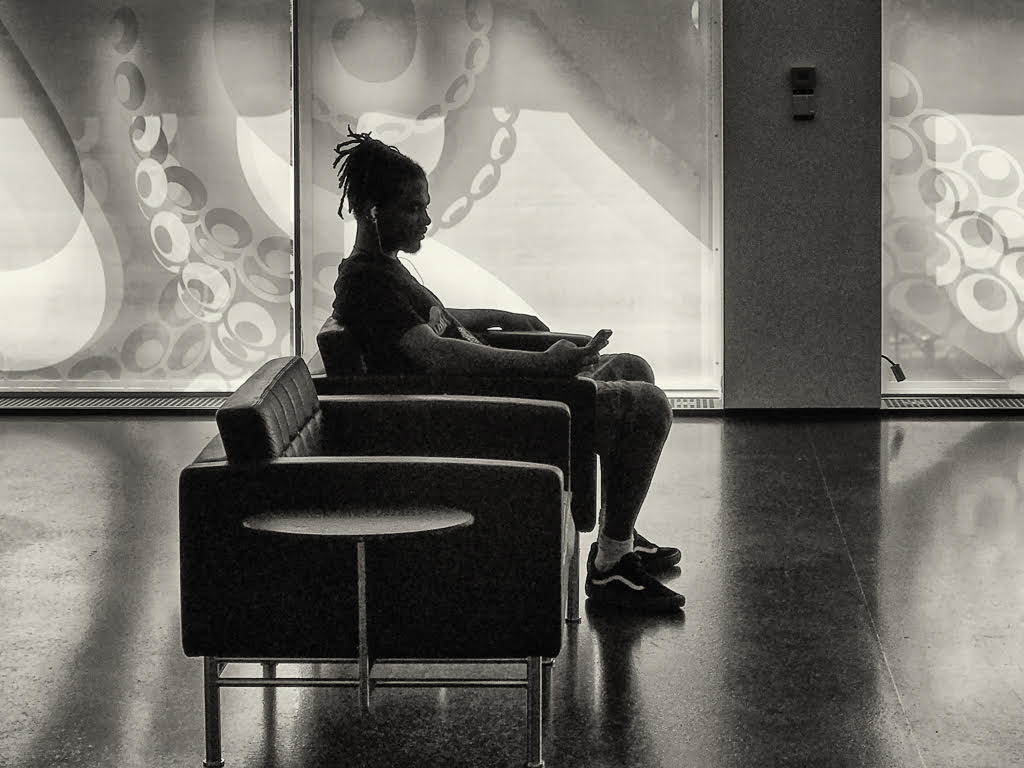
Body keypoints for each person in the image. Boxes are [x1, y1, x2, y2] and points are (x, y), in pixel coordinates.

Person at [331, 129, 685, 612]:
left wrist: (503, 316)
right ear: (374, 212)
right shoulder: (366, 284)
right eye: (413, 209)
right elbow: (436, 354)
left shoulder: (387, 269)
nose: (427, 220)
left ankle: (617, 540)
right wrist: (543, 365)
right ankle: (610, 570)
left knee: (633, 367)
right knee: (649, 407)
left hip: (503, 390)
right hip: (492, 412)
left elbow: (435, 320)